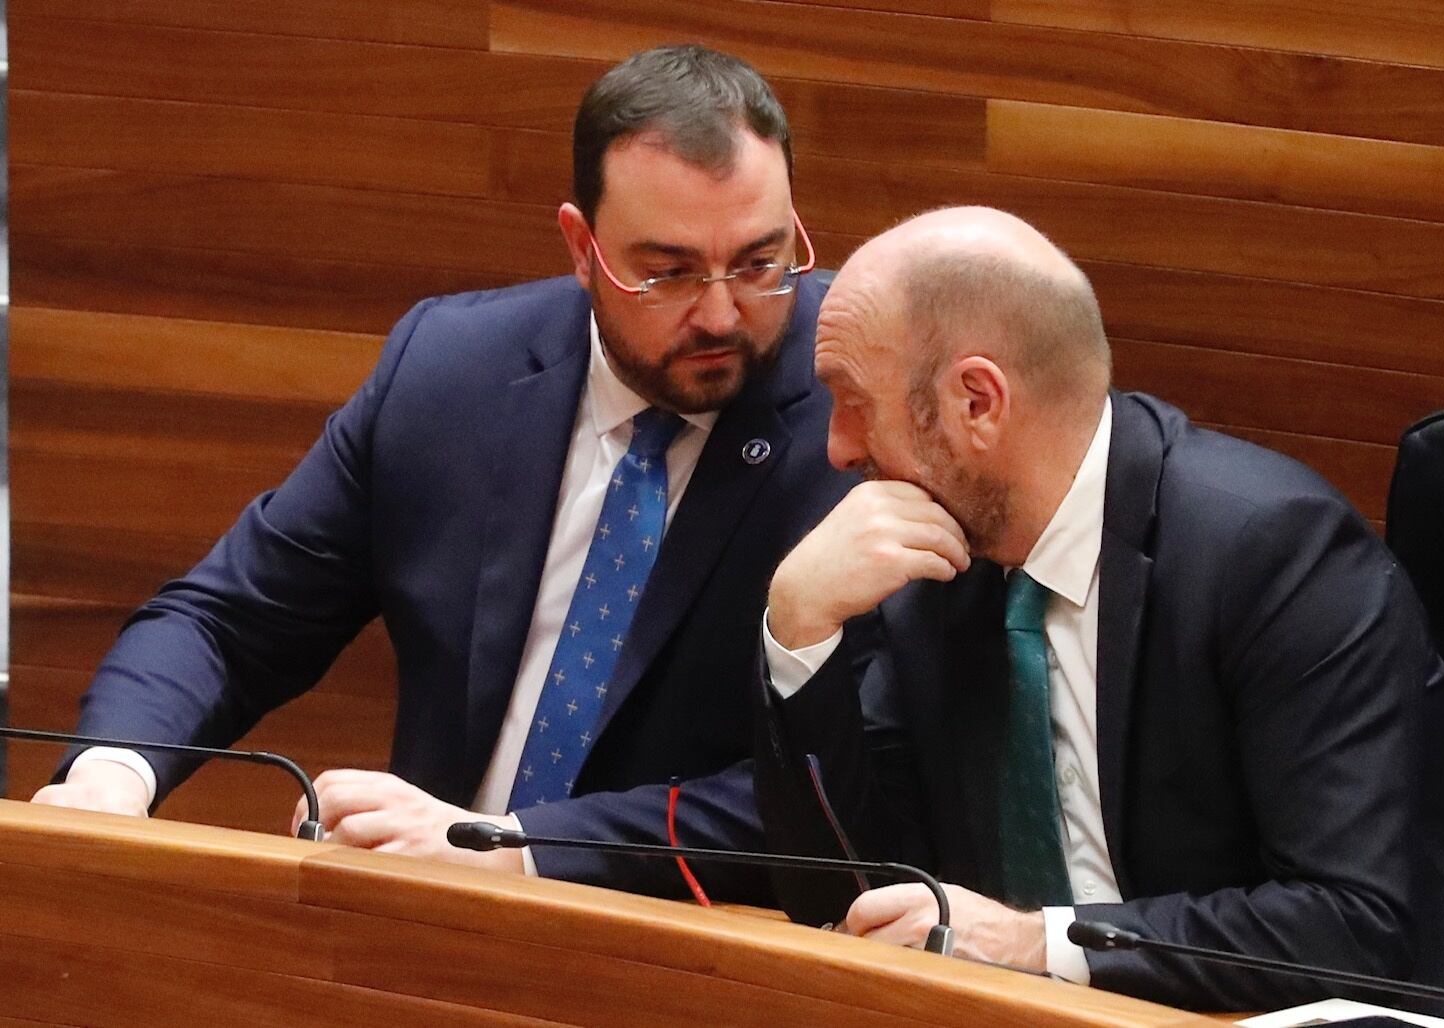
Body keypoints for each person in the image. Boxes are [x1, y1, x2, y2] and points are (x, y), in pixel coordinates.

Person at [33, 45, 853, 903]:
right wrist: (111, 780)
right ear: (582, 247)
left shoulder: (857, 416)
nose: (722, 312)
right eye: (668, 273)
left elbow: (840, 787)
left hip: (707, 955)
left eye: (759, 262)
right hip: (427, 937)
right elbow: (231, 623)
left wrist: (511, 848)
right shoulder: (452, 372)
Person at [754, 206, 1444, 1010]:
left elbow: (1350, 925)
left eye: (852, 401)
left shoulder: (1272, 552)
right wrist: (797, 631)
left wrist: (1034, 942)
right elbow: (850, 898)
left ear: (976, 402)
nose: (837, 449)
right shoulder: (931, 566)